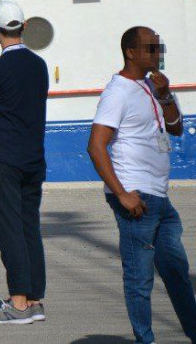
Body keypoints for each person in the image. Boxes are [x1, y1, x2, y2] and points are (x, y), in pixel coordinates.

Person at [88, 27, 196, 343]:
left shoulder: (152, 86)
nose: (156, 54)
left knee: (177, 272)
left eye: (158, 48)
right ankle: (144, 340)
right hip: (137, 196)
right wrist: (121, 193)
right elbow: (96, 145)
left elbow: (175, 129)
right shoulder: (117, 91)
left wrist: (165, 96)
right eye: (150, 48)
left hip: (160, 196)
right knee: (140, 279)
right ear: (131, 52)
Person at [0, 1, 50, 325]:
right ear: (22, 27)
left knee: (8, 230)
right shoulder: (39, 65)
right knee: (28, 227)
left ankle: (18, 303)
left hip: (3, 160)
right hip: (34, 159)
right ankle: (33, 298)